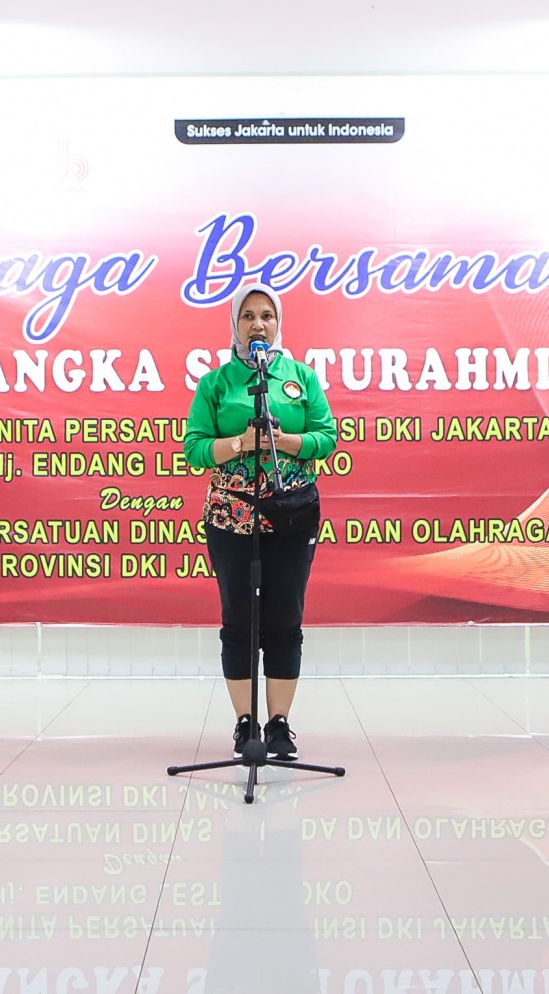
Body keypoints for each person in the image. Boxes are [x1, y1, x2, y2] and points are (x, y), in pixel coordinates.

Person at [183, 283, 337, 761]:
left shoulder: (300, 377)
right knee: (239, 621)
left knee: (285, 618)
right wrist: (240, 444)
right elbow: (194, 449)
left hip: (292, 516)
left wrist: (285, 441)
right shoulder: (216, 383)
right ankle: (245, 724)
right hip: (231, 517)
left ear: (278, 323)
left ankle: (279, 726)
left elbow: (327, 437)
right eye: (247, 316)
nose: (258, 325)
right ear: (235, 324)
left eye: (266, 316)